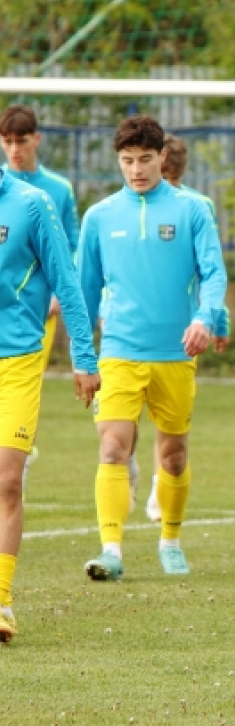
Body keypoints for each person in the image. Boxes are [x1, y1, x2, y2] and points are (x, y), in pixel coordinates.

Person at [76, 114, 227, 579]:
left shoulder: (192, 210)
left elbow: (214, 273)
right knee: (112, 449)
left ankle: (171, 538)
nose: (136, 169)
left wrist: (206, 318)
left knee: (173, 456)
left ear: (163, 156)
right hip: (119, 350)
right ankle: (112, 550)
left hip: (175, 355)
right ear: (118, 161)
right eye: (127, 160)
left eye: (145, 159)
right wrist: (84, 358)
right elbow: (83, 290)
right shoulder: (99, 216)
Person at [0, 165, 100, 641]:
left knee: (7, 479)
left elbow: (67, 282)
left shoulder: (32, 203)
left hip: (18, 359)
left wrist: (83, 355)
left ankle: (0, 602)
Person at [139, 133, 231, 523]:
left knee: (167, 416)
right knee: (120, 417)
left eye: (175, 180)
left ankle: (160, 486)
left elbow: (209, 270)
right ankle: (122, 467)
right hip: (133, 325)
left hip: (182, 329)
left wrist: (217, 320)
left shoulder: (197, 206)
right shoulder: (130, 204)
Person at [0, 105, 82, 494]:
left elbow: (72, 249)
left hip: (35, 314)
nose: (14, 149)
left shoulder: (55, 191)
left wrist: (57, 297)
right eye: (8, 141)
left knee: (27, 388)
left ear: (37, 139)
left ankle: (17, 454)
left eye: (21, 140)